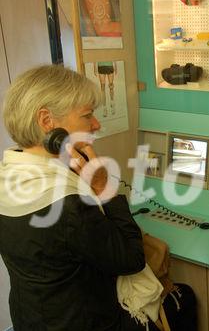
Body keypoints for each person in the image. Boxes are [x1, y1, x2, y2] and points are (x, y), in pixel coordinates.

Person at [0, 65, 161, 330]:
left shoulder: (10, 174)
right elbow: (131, 259)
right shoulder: (68, 204)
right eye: (87, 115)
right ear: (47, 121)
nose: (96, 124)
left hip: (30, 318)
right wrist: (102, 187)